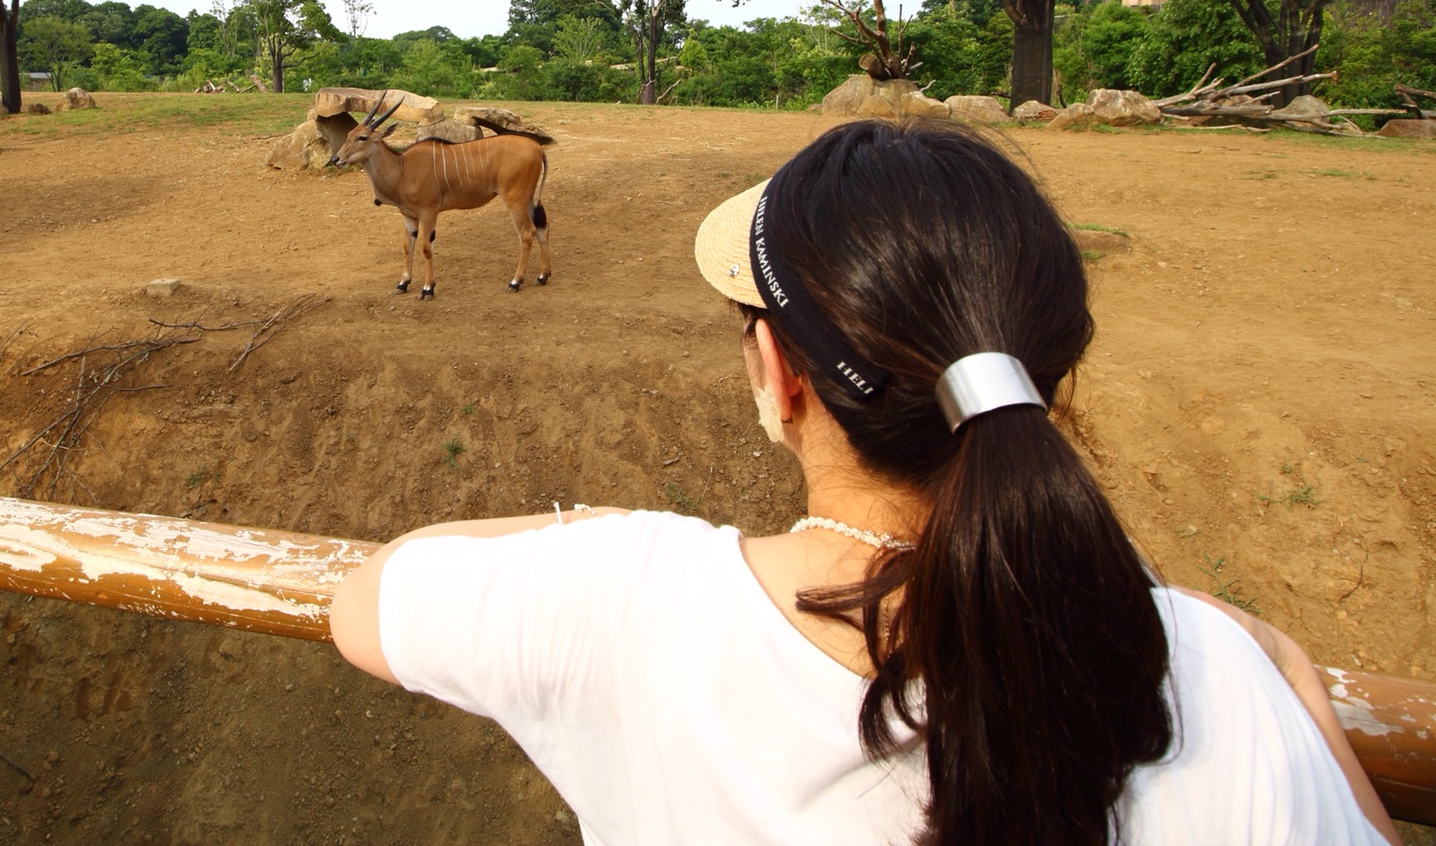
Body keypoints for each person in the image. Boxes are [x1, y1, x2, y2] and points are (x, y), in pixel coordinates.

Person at [331, 119, 1401, 845]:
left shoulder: (625, 592)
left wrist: (604, 527)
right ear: (1052, 365)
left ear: (777, 371)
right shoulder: (1222, 672)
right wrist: (1282, 663)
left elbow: (371, 593)